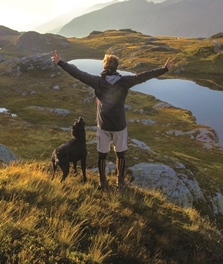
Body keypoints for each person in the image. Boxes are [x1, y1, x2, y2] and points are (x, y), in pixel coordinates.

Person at [51, 50, 174, 190]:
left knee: (102, 156)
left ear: (104, 67)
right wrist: (164, 69)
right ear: (116, 67)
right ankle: (120, 183)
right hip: (119, 126)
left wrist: (60, 62)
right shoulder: (125, 81)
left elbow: (78, 74)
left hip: (103, 126)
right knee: (120, 154)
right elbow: (143, 76)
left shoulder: (97, 81)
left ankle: (102, 183)